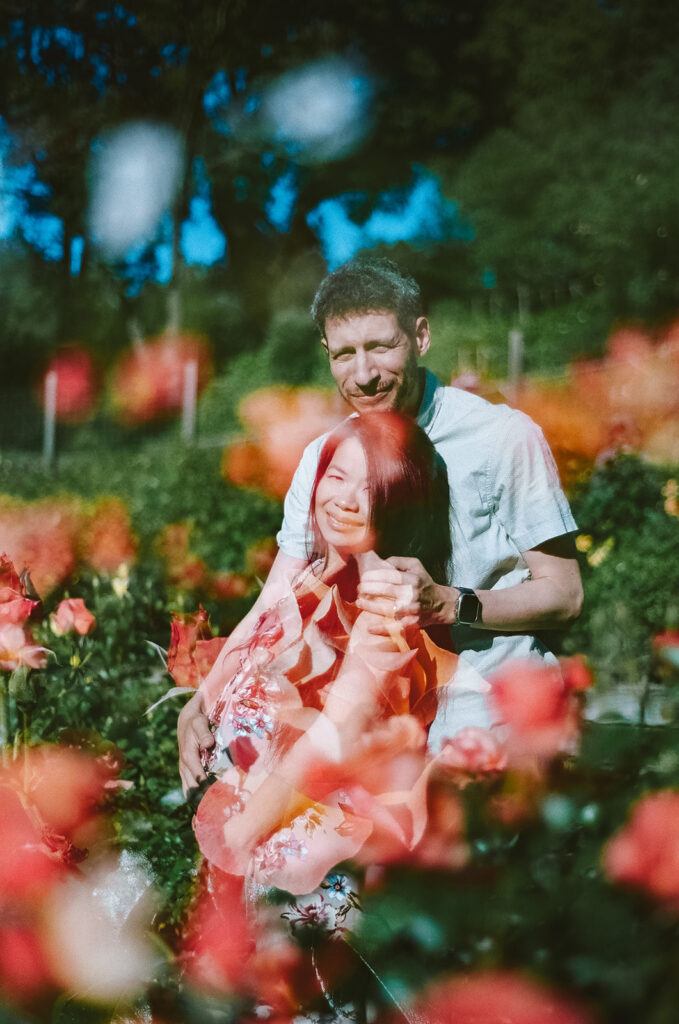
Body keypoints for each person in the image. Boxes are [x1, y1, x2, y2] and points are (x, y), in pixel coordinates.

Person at [178, 256, 582, 794]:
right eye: (344, 354)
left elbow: (565, 594)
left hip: (489, 711)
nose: (363, 375)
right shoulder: (325, 457)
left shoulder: (502, 437)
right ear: (326, 353)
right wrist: (203, 698)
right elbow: (279, 593)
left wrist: (448, 602)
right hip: (382, 726)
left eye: (380, 347)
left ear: (421, 336)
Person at [192, 411, 458, 895]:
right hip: (265, 833)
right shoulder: (314, 574)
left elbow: (334, 739)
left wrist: (240, 833)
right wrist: (200, 706)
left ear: (398, 506)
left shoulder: (384, 605)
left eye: (371, 491)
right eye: (336, 477)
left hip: (307, 863)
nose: (345, 501)